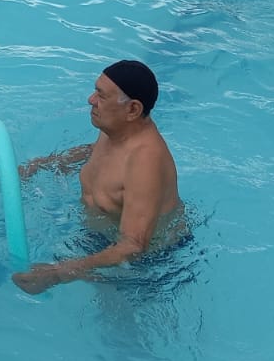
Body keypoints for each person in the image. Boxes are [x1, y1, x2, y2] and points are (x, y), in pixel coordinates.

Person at [12, 60, 183, 294]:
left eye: (101, 96)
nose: (91, 100)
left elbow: (133, 246)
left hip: (144, 265)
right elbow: (94, 151)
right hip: (102, 239)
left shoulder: (145, 162)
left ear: (132, 109)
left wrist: (59, 273)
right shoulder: (116, 130)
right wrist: (47, 164)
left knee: (116, 325)